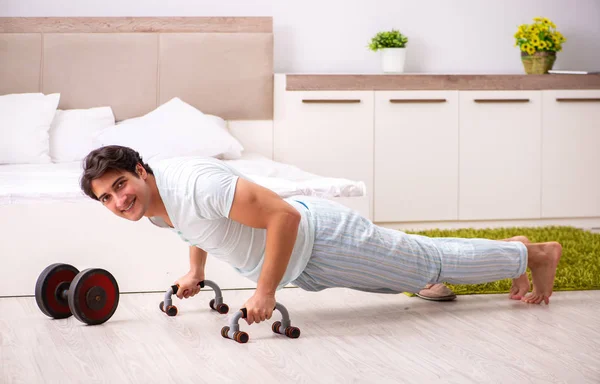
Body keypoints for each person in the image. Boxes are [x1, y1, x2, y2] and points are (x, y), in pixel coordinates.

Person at [80, 146, 562, 325]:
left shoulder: (196, 184)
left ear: (140, 170)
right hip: (306, 264)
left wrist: (264, 290)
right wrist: (196, 269)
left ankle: (535, 255)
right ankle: (511, 253)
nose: (119, 201)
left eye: (121, 185)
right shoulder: (154, 203)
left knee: (428, 265)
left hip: (323, 242)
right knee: (416, 266)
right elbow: (196, 225)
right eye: (107, 198)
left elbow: (283, 217)